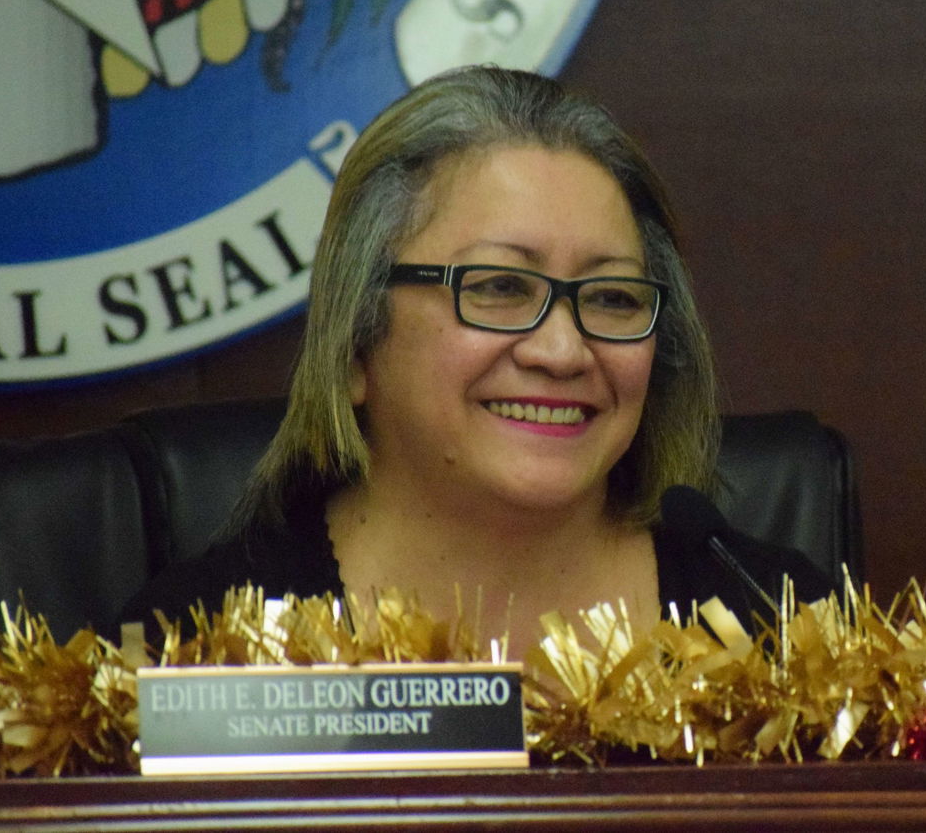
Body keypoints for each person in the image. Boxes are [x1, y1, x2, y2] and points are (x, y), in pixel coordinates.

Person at [123, 65, 830, 654]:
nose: (562, 350)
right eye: (497, 287)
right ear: (356, 342)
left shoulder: (790, 631)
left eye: (612, 298)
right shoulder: (189, 650)